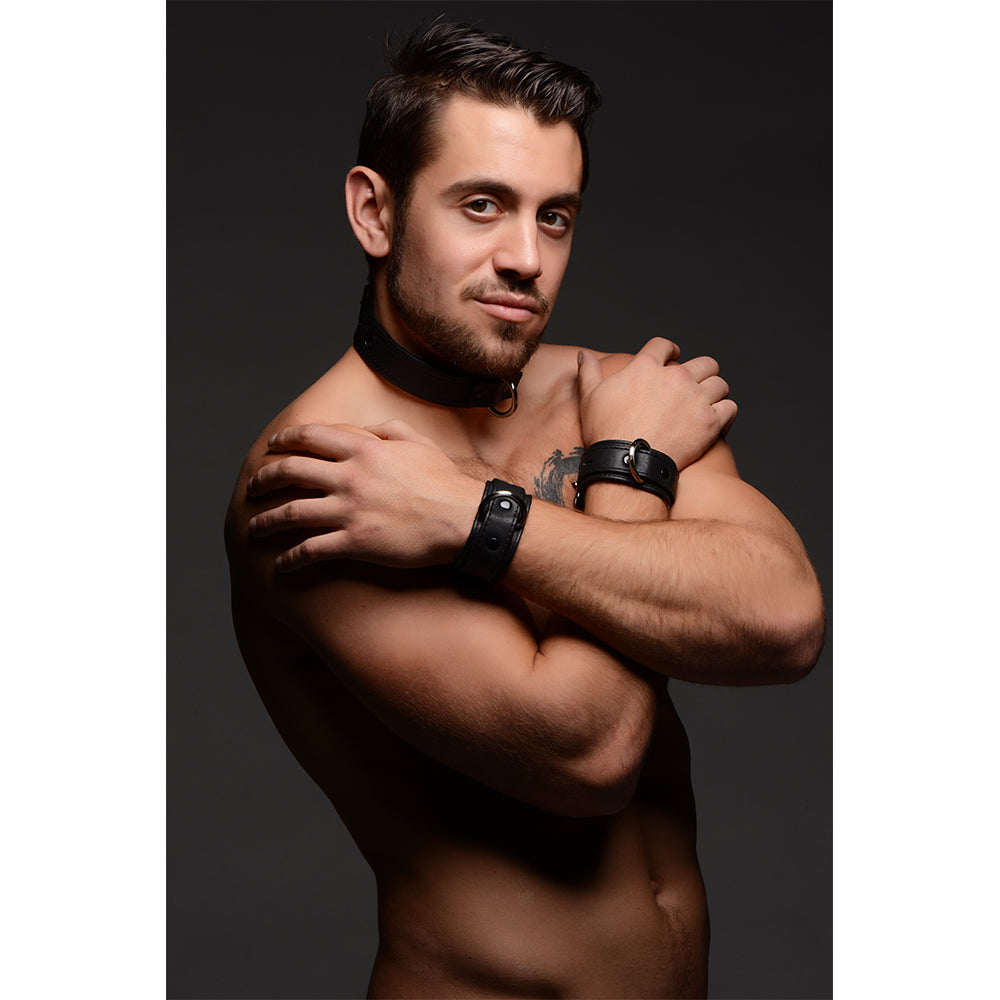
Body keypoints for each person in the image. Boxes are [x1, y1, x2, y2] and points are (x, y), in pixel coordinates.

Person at [225, 21, 824, 999]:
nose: (525, 258)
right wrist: (631, 471)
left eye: (554, 217)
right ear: (375, 212)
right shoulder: (317, 475)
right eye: (482, 206)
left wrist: (473, 513)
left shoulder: (624, 400)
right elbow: (587, 751)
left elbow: (785, 620)